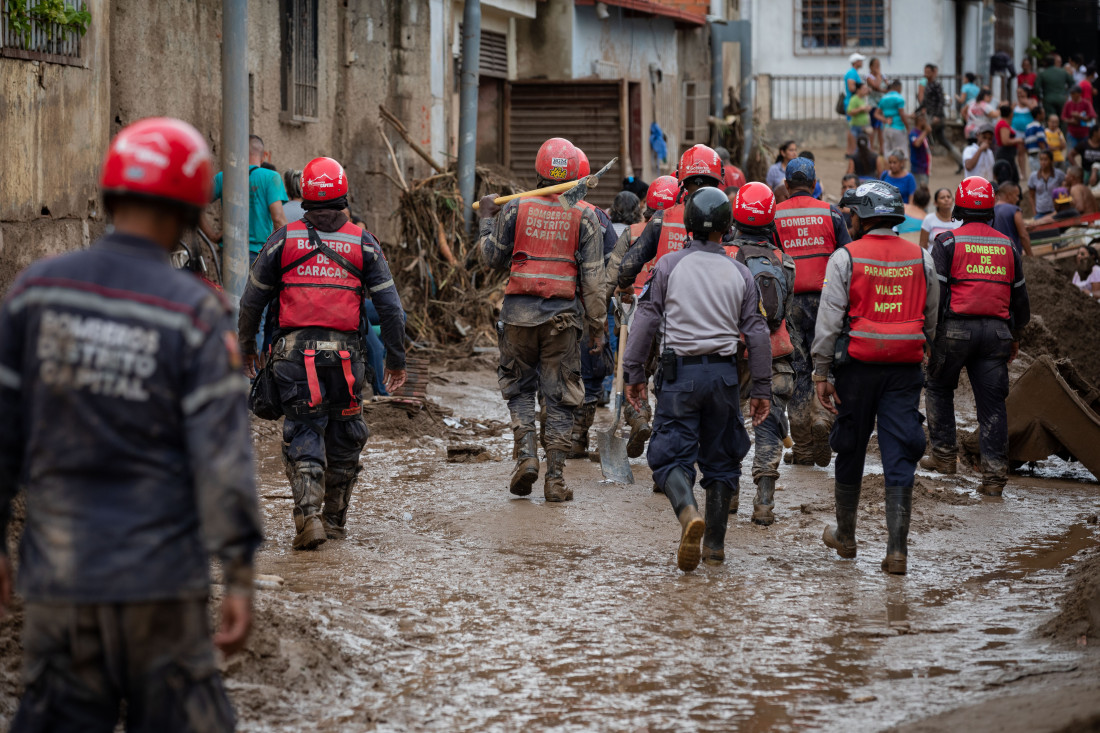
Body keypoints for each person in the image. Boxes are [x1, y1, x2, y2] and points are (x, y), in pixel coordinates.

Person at [0, 117, 263, 730]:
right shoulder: (196, 313)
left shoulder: (36, 293)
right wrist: (239, 575)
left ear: (110, 193)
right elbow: (223, 460)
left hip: (60, 579)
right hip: (161, 585)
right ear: (192, 207)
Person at [239, 156, 407, 548]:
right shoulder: (363, 243)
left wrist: (246, 347)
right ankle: (333, 522)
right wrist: (396, 360)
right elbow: (391, 310)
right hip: (347, 361)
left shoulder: (283, 240)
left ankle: (309, 516)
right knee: (346, 434)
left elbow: (251, 301)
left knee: (304, 428)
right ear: (343, 194)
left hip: (294, 361)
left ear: (305, 196)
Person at [623, 187, 771, 572]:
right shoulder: (741, 273)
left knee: (669, 455)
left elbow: (645, 320)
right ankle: (715, 548)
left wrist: (633, 373)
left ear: (688, 223)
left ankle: (689, 512)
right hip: (724, 378)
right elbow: (757, 333)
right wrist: (761, 388)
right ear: (727, 227)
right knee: (722, 460)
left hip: (679, 377)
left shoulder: (668, 266)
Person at [813, 181, 939, 575]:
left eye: (853, 213)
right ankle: (897, 550)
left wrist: (821, 371)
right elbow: (932, 314)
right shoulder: (921, 258)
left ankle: (846, 536)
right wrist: (927, 346)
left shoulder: (845, 258)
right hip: (904, 370)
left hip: (856, 370)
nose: (849, 219)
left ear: (864, 216)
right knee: (899, 450)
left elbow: (829, 321)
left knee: (850, 446)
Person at [479, 138, 606, 502]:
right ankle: (555, 480)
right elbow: (594, 283)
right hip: (562, 321)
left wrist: (486, 219)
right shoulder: (585, 215)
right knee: (561, 395)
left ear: (538, 170)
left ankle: (526, 457)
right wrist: (597, 327)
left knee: (519, 389)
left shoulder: (515, 207)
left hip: (517, 317)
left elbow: (491, 259)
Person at [922, 177, 1030, 498]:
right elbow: (1020, 301)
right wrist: (1015, 335)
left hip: (954, 331)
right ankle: (994, 477)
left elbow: (936, 295)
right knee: (993, 405)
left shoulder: (947, 242)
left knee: (938, 386)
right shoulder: (1008, 245)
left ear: (959, 206)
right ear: (990, 208)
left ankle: (944, 457)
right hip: (997, 334)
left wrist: (930, 336)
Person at [723, 183, 795, 526]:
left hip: (731, 351)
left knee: (729, 420)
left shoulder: (722, 255)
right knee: (770, 421)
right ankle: (764, 502)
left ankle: (730, 494)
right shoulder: (784, 261)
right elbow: (785, 310)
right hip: (774, 352)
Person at [773, 157, 852, 468]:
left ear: (787, 185)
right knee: (826, 363)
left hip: (790, 303)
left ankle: (804, 447)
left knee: (797, 371)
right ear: (815, 184)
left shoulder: (775, 214)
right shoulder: (831, 213)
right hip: (827, 301)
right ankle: (823, 418)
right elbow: (847, 257)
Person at [568, 148, 619, 457]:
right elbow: (612, 266)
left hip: (545, 306)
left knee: (551, 375)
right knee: (589, 373)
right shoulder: (598, 217)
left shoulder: (533, 210)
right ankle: (576, 439)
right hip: (588, 308)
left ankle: (550, 443)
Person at [201, 134, 288, 261]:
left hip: (229, 252)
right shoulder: (271, 177)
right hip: (259, 254)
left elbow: (191, 203)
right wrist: (291, 247)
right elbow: (278, 219)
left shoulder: (223, 177)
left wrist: (212, 235)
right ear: (264, 155)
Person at [920, 62, 965, 172]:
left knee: (926, 139)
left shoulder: (936, 85)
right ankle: (960, 161)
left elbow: (941, 101)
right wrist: (917, 111)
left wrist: (937, 116)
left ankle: (924, 165)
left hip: (936, 118)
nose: (926, 74)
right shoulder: (928, 85)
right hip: (931, 116)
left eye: (928, 72)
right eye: (925, 72)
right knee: (940, 140)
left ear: (933, 72)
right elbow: (925, 102)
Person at [992, 182, 1033, 256]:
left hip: (996, 256)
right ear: (1009, 195)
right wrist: (1031, 256)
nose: (1018, 199)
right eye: (1016, 195)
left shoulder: (990, 212)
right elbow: (1023, 236)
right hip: (1012, 256)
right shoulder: (1015, 210)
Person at [1028, 149, 1066, 217]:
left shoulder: (1059, 174)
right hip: (1040, 211)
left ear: (1051, 161)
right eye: (1041, 160)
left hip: (1055, 210)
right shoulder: (1033, 176)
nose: (1043, 162)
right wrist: (1034, 212)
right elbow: (1031, 196)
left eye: (1046, 160)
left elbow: (1065, 187)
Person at [994, 103, 1024, 184]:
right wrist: (1018, 140)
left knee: (1013, 178)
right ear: (1010, 114)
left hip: (1008, 155)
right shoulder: (1003, 124)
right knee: (1007, 179)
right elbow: (1005, 141)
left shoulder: (1004, 123)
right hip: (1005, 154)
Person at [1062, 85, 1097, 150]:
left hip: (1085, 134)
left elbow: (1092, 117)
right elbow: (1063, 118)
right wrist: (1071, 121)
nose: (1072, 95)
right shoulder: (1068, 104)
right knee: (1071, 151)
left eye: (1073, 93)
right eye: (1071, 93)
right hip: (1072, 134)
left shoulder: (1086, 103)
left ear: (1079, 94)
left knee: (1085, 152)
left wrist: (1080, 117)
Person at [844, 53, 867, 154]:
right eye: (860, 60)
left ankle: (850, 150)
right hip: (852, 102)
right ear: (856, 62)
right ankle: (850, 151)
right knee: (851, 128)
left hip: (851, 101)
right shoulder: (852, 73)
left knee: (851, 127)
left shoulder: (853, 72)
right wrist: (861, 89)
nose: (862, 62)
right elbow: (851, 87)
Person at [878, 79, 908, 152]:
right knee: (900, 152)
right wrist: (907, 127)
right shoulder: (899, 98)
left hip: (887, 128)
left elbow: (876, 114)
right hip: (898, 127)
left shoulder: (883, 98)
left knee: (888, 152)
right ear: (899, 87)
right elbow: (901, 114)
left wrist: (885, 120)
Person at [866, 58, 887, 153]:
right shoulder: (869, 77)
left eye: (879, 64)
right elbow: (876, 86)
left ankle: (881, 148)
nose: (877, 67)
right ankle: (871, 148)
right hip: (873, 105)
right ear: (871, 67)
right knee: (874, 127)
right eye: (875, 65)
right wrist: (878, 75)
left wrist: (882, 89)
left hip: (881, 104)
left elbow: (887, 87)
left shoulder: (883, 76)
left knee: (881, 128)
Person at [909, 109, 932, 188]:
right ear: (920, 121)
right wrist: (925, 131)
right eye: (925, 121)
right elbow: (916, 143)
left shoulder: (921, 133)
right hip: (918, 167)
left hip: (925, 167)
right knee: (920, 190)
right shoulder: (914, 133)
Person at [1023, 105, 1048, 175]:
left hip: (1031, 156)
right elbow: (1041, 142)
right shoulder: (1038, 126)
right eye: (1043, 113)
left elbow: (1026, 144)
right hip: (1039, 155)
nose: (1044, 115)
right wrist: (1046, 154)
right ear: (1038, 115)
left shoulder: (1028, 127)